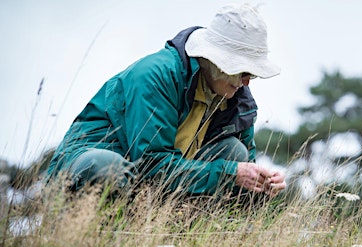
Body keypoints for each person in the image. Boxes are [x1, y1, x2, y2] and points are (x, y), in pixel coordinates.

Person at [46, 3, 286, 200]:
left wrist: (264, 186)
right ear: (216, 60)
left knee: (234, 152)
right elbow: (151, 164)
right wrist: (229, 174)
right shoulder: (155, 75)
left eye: (252, 74)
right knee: (106, 165)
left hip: (152, 186)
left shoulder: (236, 98)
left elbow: (244, 174)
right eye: (244, 71)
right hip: (86, 175)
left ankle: (185, 240)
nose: (247, 82)